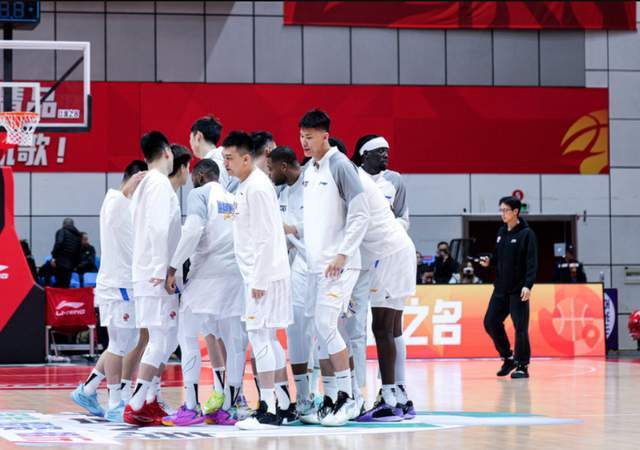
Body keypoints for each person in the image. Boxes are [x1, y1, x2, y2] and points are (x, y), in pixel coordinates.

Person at [161, 159, 249, 427]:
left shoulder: (199, 194)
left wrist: (173, 266)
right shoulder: (233, 198)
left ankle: (190, 406)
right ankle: (228, 407)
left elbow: (193, 231)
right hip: (235, 277)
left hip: (207, 275)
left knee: (187, 335)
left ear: (200, 176)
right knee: (234, 342)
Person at [299, 109, 369, 427]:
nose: (304, 142)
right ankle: (331, 397)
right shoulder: (310, 170)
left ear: (325, 136)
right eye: (301, 136)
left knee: (327, 327)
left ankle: (348, 397)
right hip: (317, 266)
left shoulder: (340, 165)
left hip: (340, 265)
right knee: (322, 330)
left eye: (310, 137)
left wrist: (343, 254)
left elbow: (361, 213)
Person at [223, 131, 293, 430]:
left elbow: (265, 237)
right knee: (268, 338)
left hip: (263, 277)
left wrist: (259, 279)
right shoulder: (247, 186)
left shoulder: (257, 188)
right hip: (263, 275)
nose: (225, 163)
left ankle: (267, 409)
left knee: (260, 338)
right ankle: (283, 404)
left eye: (229, 158)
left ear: (246, 158)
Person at [71, 160, 147, 422]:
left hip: (122, 284)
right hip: (118, 286)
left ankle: (88, 389)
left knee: (124, 342)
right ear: (136, 178)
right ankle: (115, 402)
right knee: (119, 344)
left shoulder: (121, 202)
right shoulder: (116, 200)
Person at [123, 131, 182, 426]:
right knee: (160, 339)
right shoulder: (158, 183)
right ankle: (135, 403)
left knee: (163, 338)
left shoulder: (144, 185)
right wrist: (163, 269)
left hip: (145, 272)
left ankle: (147, 401)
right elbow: (158, 229)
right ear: (167, 152)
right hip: (155, 274)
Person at [352, 160, 417, 422]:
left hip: (388, 255)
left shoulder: (356, 182)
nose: (385, 156)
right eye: (380, 152)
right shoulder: (366, 182)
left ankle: (390, 399)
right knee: (392, 328)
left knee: (381, 327)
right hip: (398, 251)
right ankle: (399, 395)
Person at [267, 146, 316, 419]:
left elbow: (328, 222)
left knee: (325, 331)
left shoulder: (314, 185)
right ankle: (305, 397)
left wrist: (294, 229)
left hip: (324, 265)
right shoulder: (282, 193)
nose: (269, 174)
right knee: (296, 329)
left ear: (283, 166)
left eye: (271, 169)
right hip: (296, 266)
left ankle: (339, 394)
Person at [480, 196, 537, 379]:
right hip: (500, 289)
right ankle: (507, 357)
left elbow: (532, 263)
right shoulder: (502, 232)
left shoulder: (527, 234)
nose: (502, 214)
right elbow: (498, 257)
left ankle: (522, 365)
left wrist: (528, 285)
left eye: (505, 210)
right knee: (490, 322)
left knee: (520, 327)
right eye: (501, 210)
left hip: (518, 290)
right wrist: (490, 261)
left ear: (515, 212)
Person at [352, 134, 409, 229]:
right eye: (381, 151)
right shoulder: (352, 177)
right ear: (366, 154)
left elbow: (403, 218)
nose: (386, 155)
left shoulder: (395, 179)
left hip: (387, 236)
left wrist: (388, 229)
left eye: (387, 151)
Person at [189, 115, 239, 192]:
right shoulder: (222, 160)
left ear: (198, 137)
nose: (190, 143)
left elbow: (217, 197)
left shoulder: (215, 165)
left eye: (190, 138)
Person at [51, 218, 82, 288]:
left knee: (59, 283)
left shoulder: (62, 231)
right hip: (71, 264)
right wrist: (75, 265)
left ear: (63, 224)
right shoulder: (78, 235)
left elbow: (58, 244)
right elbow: (79, 252)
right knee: (66, 284)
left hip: (60, 262)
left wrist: (54, 257)